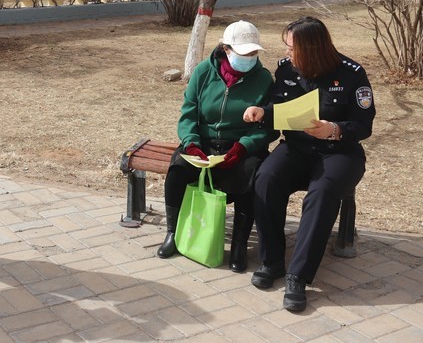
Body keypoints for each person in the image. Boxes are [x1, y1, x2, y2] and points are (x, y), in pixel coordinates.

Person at [243, 16, 376, 312]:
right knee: (266, 177)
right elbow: (279, 107)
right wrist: (262, 112)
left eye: (292, 48)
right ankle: (272, 261)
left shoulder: (352, 73)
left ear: (312, 48)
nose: (287, 53)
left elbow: (363, 125)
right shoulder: (286, 69)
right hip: (297, 148)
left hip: (339, 153)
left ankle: (298, 276)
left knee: (322, 193)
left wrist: (333, 129)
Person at [157, 20, 276, 272]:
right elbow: (188, 113)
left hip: (240, 147)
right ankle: (173, 233)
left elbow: (268, 127)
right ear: (226, 49)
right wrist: (191, 144)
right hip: (204, 144)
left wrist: (243, 147)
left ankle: (239, 245)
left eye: (253, 53)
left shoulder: (264, 79)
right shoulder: (203, 72)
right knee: (177, 170)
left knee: (250, 176)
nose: (248, 58)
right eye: (243, 53)